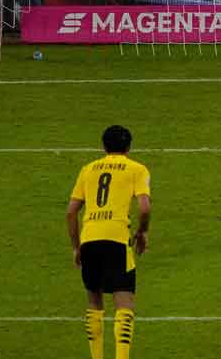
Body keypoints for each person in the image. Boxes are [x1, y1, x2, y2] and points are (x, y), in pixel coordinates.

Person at [66, 125, 151, 359]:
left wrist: (76, 246)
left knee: (94, 303)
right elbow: (144, 207)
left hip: (90, 238)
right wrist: (143, 232)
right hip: (116, 239)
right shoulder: (137, 169)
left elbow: (71, 212)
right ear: (129, 147)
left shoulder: (88, 169)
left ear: (104, 147)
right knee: (124, 304)